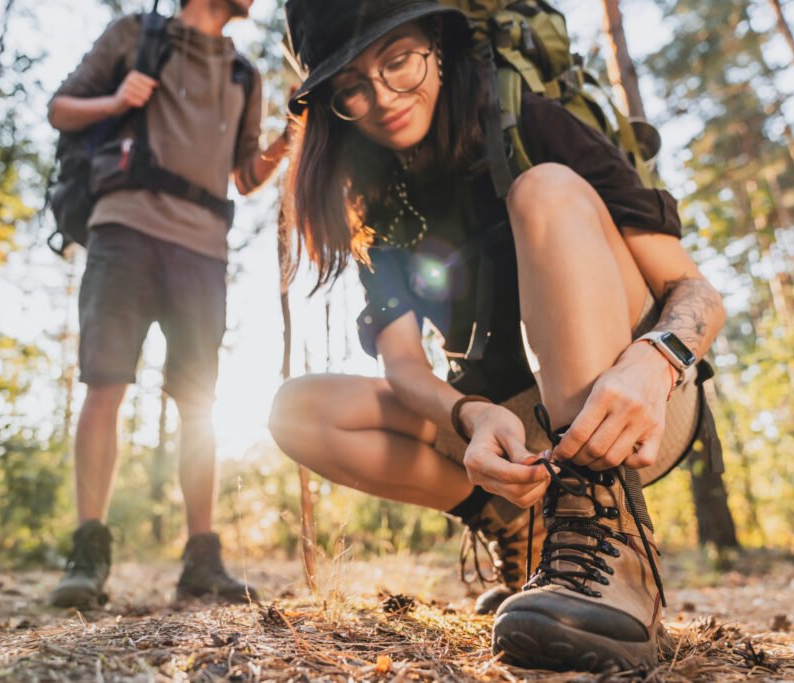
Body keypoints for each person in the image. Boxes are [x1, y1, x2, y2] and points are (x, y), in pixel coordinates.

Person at [269, 0, 725, 672]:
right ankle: (518, 523)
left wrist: (654, 362)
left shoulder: (527, 117)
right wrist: (472, 414)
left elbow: (698, 293)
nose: (383, 98)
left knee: (543, 191)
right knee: (295, 409)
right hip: (505, 426)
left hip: (635, 404)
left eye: (398, 61)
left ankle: (610, 539)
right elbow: (403, 364)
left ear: (437, 43)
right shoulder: (371, 196)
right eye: (351, 88)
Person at [47, 0, 290, 608]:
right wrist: (115, 100)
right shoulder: (135, 33)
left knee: (198, 401)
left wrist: (288, 141)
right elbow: (60, 109)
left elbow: (243, 174)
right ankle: (88, 552)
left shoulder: (244, 73)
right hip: (122, 229)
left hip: (204, 250)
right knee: (105, 382)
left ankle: (201, 559)